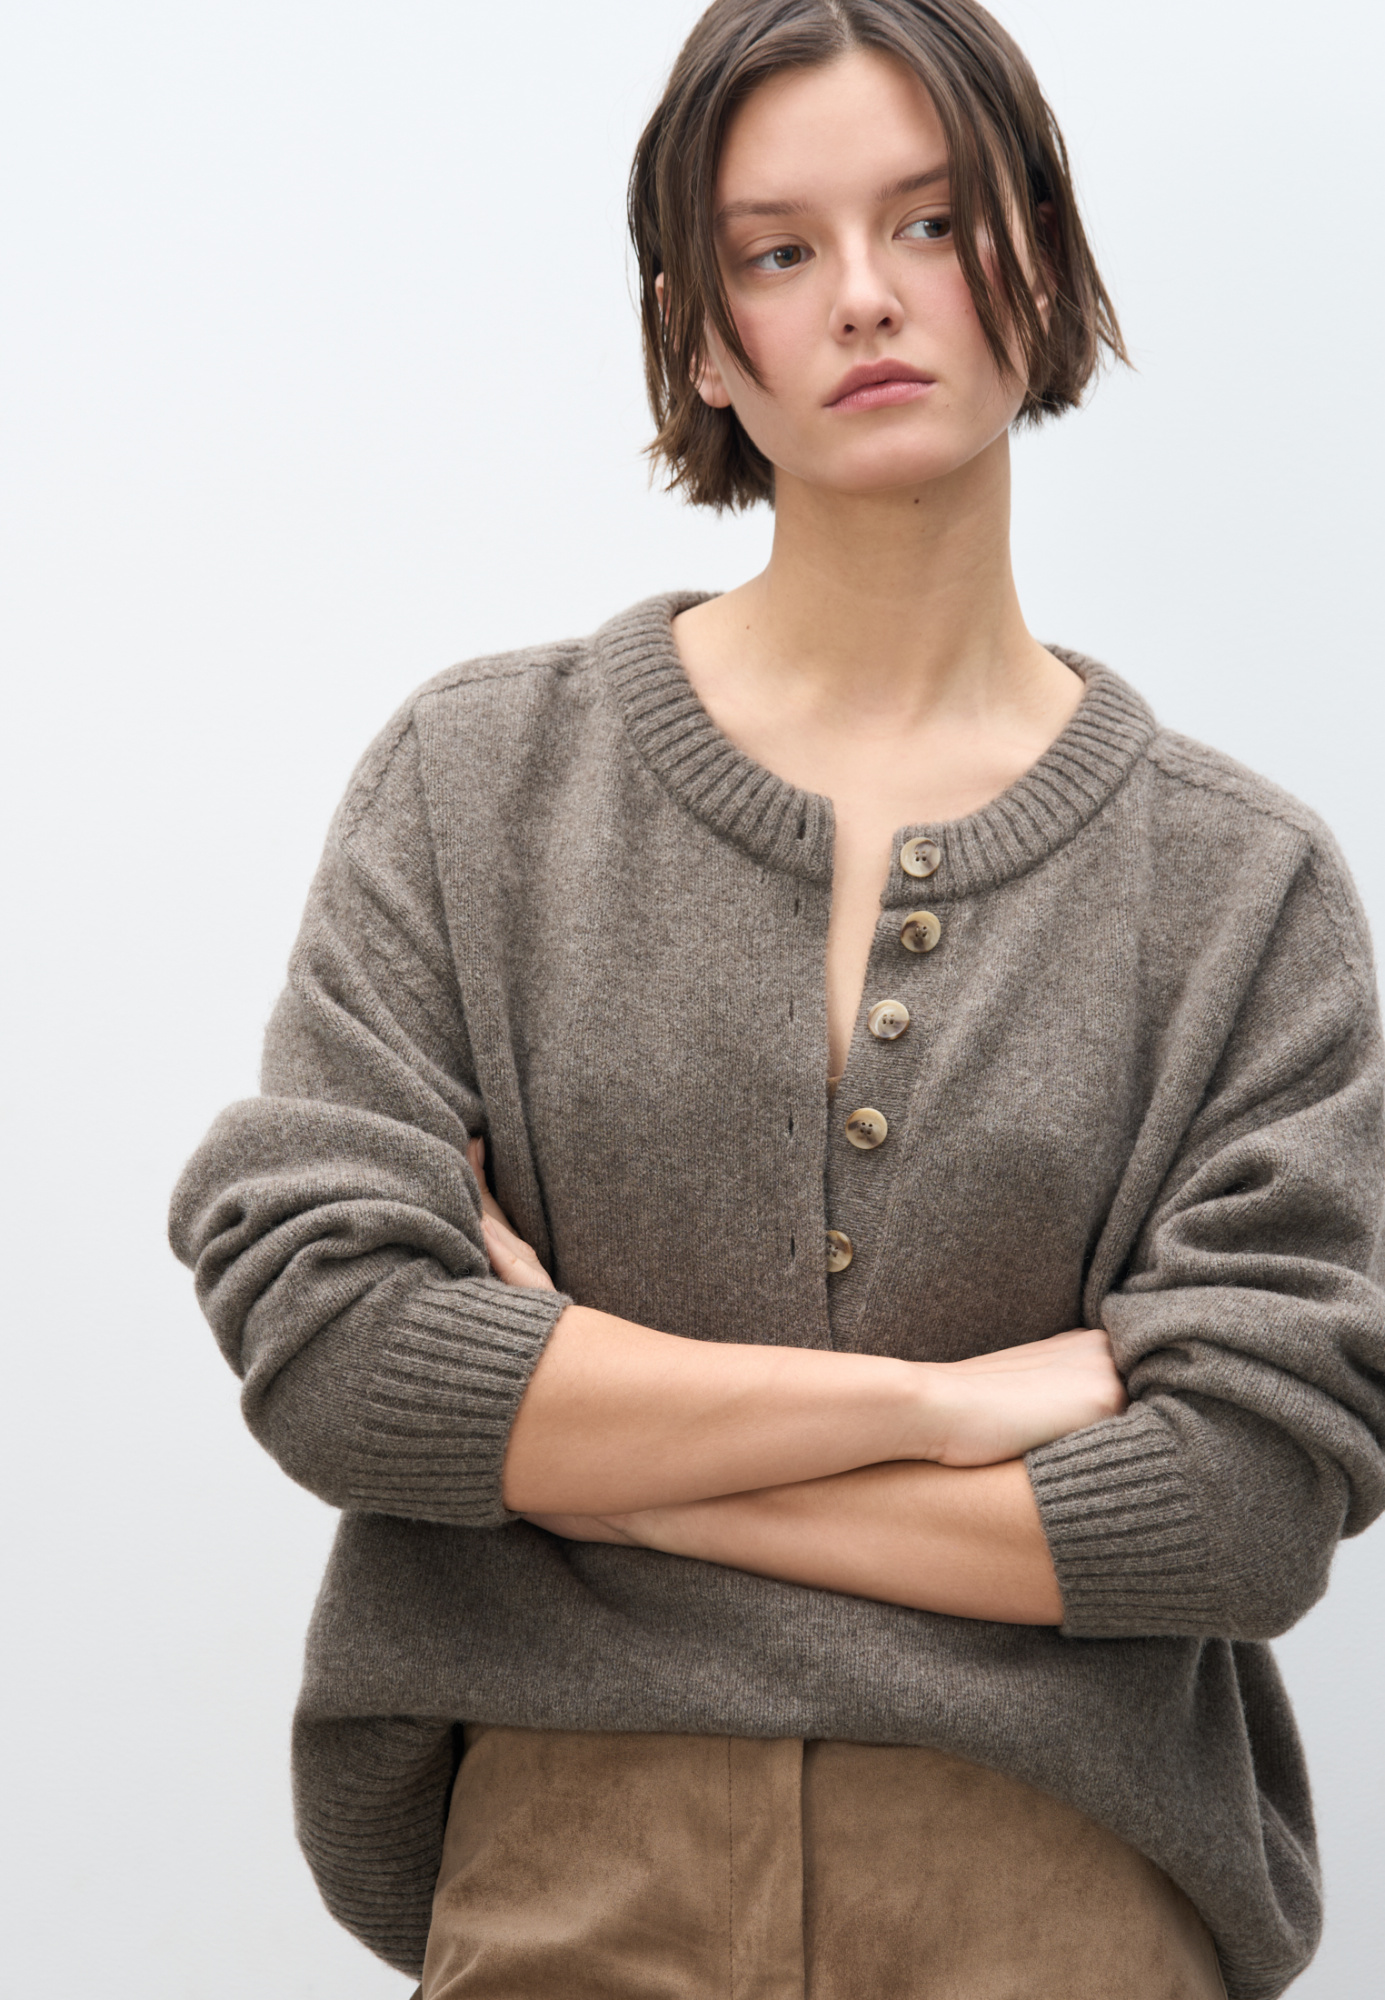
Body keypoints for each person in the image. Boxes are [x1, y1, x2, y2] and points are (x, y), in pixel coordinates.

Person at [169, 1, 1385, 1995]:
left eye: (932, 220)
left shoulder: (1242, 888)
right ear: (703, 335)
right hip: (568, 1864)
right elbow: (337, 1349)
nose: (866, 298)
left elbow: (1242, 1509)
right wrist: (944, 1409)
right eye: (778, 249)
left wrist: (586, 1446)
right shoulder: (477, 784)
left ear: (1043, 250)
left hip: (1065, 1887)